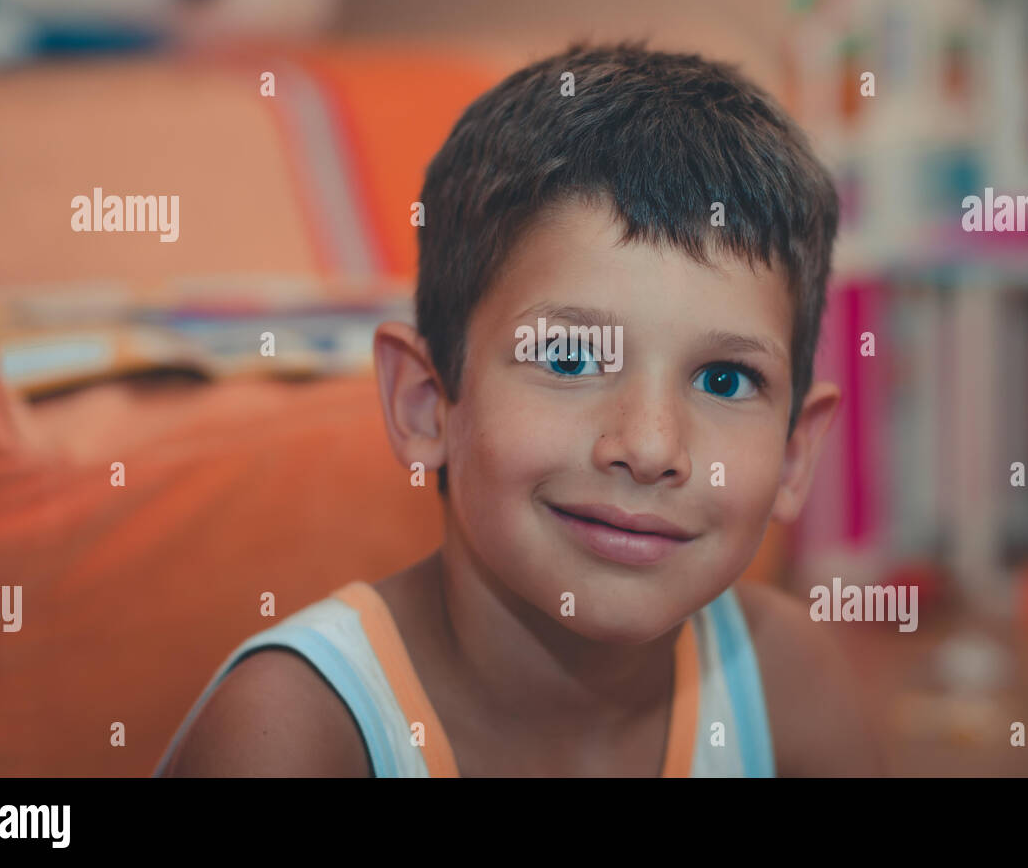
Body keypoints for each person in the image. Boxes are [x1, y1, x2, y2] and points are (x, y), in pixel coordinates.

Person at [158, 40, 883, 777]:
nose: (651, 443)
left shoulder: (786, 682)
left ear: (796, 452)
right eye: (569, 358)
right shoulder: (292, 734)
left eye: (725, 379)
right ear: (425, 404)